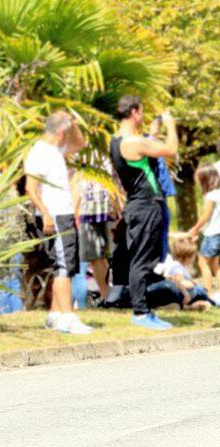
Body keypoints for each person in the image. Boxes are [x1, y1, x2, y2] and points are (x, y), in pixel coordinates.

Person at [110, 95, 178, 329]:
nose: (143, 115)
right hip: (146, 205)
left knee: (144, 257)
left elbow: (143, 160)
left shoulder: (117, 140)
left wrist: (153, 134)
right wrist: (170, 125)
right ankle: (140, 312)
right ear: (134, 112)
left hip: (138, 204)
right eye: (141, 111)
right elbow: (171, 150)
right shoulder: (133, 142)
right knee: (141, 260)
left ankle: (143, 308)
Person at [24, 111, 91, 334]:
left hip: (63, 214)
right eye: (67, 132)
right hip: (55, 216)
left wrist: (74, 122)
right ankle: (67, 317)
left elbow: (81, 143)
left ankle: (55, 315)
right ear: (61, 132)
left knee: (63, 266)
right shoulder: (39, 152)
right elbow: (31, 188)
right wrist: (46, 214)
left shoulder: (55, 150)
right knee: (64, 266)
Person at [71, 157, 120, 302]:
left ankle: (110, 295)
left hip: (97, 207)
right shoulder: (93, 152)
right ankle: (108, 295)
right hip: (96, 206)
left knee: (100, 256)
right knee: (97, 257)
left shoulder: (88, 152)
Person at [188, 164, 220, 301]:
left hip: (212, 235)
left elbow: (206, 216)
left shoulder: (211, 196)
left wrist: (195, 228)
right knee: (215, 265)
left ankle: (209, 293)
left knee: (203, 263)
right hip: (218, 234)